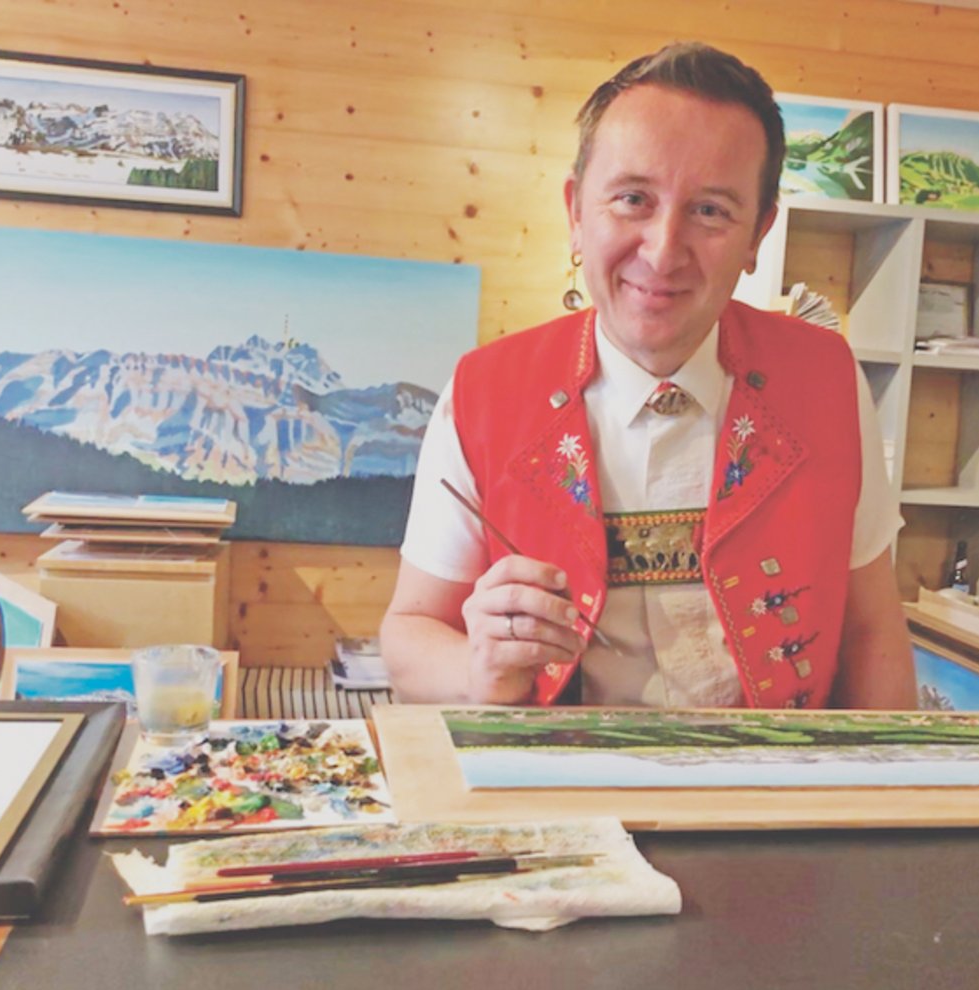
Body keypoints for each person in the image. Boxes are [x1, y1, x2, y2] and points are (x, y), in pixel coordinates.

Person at [381, 41, 915, 710]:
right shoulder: (483, 392)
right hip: (556, 771)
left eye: (711, 210)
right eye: (633, 198)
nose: (663, 253)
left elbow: (872, 631)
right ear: (576, 213)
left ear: (758, 234)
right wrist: (478, 669)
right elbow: (408, 633)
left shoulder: (827, 380)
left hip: (776, 773)